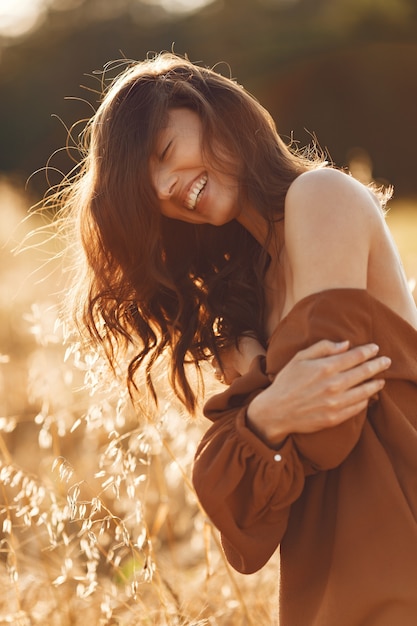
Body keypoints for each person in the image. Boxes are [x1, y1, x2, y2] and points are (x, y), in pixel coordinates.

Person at [57, 52, 417, 625]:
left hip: (401, 561)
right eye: (151, 190)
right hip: (323, 589)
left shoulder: (319, 197)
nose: (169, 187)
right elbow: (245, 529)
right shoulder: (249, 301)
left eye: (166, 154)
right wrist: (272, 407)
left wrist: (259, 406)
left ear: (214, 112)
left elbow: (331, 427)